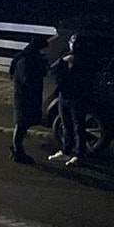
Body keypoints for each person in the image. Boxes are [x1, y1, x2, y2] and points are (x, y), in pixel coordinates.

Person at [47, 33, 86, 166]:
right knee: (66, 124)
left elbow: (85, 77)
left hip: (77, 96)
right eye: (72, 41)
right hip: (64, 95)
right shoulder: (65, 55)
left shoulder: (84, 59)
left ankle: (79, 154)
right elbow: (52, 69)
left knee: (78, 126)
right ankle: (66, 150)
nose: (73, 44)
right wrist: (64, 61)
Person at [9, 38, 48, 165]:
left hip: (28, 97)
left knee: (23, 124)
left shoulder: (28, 59)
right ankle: (17, 151)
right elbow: (27, 79)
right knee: (20, 125)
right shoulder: (25, 61)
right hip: (23, 97)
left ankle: (17, 149)